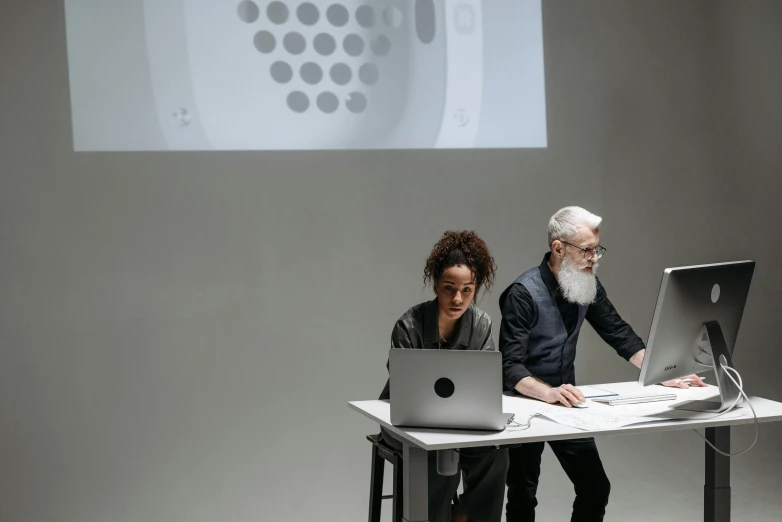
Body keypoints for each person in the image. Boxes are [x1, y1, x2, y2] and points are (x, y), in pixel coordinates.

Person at [499, 206, 706, 522]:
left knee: (595, 487)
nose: (594, 259)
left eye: (597, 251)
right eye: (587, 251)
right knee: (523, 496)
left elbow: (619, 332)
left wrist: (662, 371)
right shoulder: (523, 293)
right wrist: (548, 393)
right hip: (524, 404)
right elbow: (510, 366)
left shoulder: (584, 282)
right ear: (558, 248)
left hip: (566, 402)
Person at [378, 230, 509, 522]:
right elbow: (403, 387)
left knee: (496, 453)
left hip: (463, 423)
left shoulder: (481, 324)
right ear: (436, 285)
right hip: (407, 421)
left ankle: (472, 515)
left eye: (467, 289)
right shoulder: (409, 325)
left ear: (477, 288)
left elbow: (484, 384)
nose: (457, 298)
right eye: (449, 288)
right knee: (438, 454)